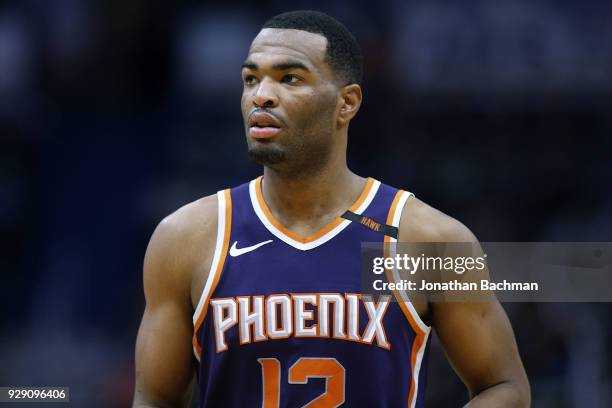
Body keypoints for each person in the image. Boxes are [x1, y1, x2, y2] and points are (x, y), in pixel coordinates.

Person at [132, 10, 530, 408]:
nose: (261, 95)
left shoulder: (429, 240)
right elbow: (155, 399)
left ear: (347, 103)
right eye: (251, 79)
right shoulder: (185, 238)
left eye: (290, 78)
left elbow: (503, 386)